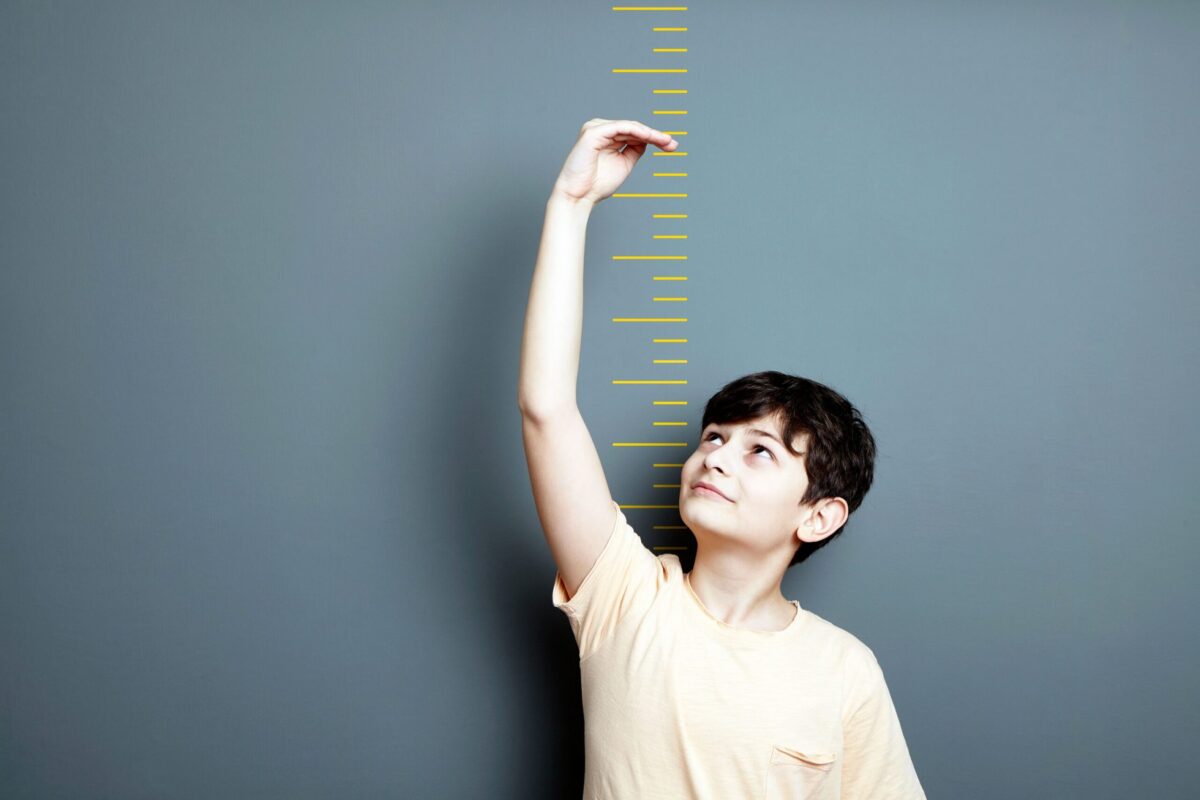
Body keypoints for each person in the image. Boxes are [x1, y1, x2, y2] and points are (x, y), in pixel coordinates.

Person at [518, 118, 927, 799]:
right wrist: (572, 204)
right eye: (713, 437)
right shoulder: (626, 598)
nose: (715, 458)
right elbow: (546, 408)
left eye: (759, 450)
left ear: (821, 516)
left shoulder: (845, 671)